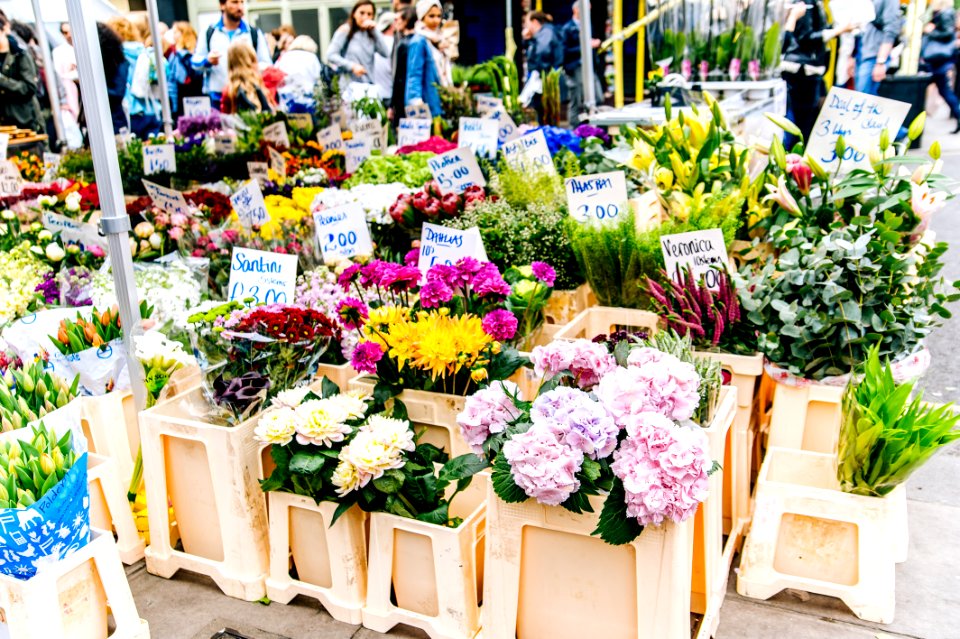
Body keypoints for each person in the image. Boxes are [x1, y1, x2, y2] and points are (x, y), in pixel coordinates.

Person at [781, 2, 851, 148]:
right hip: (802, 69)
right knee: (803, 124)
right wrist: (837, 31)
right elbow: (805, 38)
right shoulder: (806, 3)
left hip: (811, 68)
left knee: (808, 120)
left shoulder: (817, 3)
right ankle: (796, 161)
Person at [192, 0, 272, 108]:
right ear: (222, 5)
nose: (240, 7)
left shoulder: (253, 33)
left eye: (242, 2)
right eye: (234, 2)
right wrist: (207, 61)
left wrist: (252, 67)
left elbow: (267, 64)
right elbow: (195, 62)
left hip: (247, 96)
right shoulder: (209, 32)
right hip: (217, 97)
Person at [108, 16, 162, 138]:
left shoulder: (116, 56)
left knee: (133, 154)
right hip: (152, 110)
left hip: (129, 112)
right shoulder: (145, 52)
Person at [325, 0, 389, 89]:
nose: (365, 17)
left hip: (368, 85)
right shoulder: (345, 31)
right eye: (361, 13)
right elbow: (330, 55)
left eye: (369, 14)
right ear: (354, 14)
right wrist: (352, 66)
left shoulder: (371, 34)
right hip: (349, 87)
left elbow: (386, 53)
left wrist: (375, 30)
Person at [561, 2, 602, 125]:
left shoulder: (589, 26)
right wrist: (585, 46)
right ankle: (574, 130)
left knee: (597, 97)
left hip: (589, 68)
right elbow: (564, 51)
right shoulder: (567, 28)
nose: (588, 12)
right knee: (577, 101)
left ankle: (593, 128)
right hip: (575, 68)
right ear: (576, 10)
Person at [0, 12, 42, 133]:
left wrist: (2, 80)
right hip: (5, 124)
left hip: (25, 121)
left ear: (4, 30)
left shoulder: (20, 55)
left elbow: (29, 88)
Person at [923, 0, 960, 133]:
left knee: (944, 89)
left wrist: (930, 31)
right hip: (936, 59)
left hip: (939, 58)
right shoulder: (940, 12)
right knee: (943, 89)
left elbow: (948, 33)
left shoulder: (946, 12)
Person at [404, 0, 445, 117]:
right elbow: (414, 74)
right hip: (427, 104)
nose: (436, 20)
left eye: (439, 16)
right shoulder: (419, 41)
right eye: (431, 16)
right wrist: (415, 102)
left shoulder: (437, 39)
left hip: (438, 101)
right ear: (422, 17)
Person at [855, 0, 901, 95]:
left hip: (875, 55)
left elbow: (891, 29)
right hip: (862, 53)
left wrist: (881, 62)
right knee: (860, 96)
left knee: (864, 97)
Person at [523, 11, 563, 121]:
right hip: (542, 78)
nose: (526, 27)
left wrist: (538, 73)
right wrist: (527, 40)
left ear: (534, 22)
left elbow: (543, 53)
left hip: (544, 80)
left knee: (545, 111)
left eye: (527, 23)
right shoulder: (541, 34)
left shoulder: (546, 32)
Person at [221, 42, 273, 114]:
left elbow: (225, 119)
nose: (257, 65)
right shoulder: (261, 84)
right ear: (250, 63)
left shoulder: (229, 90)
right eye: (254, 61)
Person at [99, 21, 129, 134]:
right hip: (105, 120)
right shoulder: (101, 63)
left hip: (115, 120)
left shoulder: (119, 61)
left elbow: (117, 92)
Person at [168, 22, 205, 116]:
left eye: (176, 32)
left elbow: (176, 80)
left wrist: (174, 107)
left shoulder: (177, 56)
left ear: (183, 33)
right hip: (201, 97)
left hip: (183, 98)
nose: (173, 35)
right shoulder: (199, 53)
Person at [391, 7, 417, 124]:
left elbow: (399, 76)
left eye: (398, 20)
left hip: (404, 96)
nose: (395, 23)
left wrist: (393, 104)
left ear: (406, 21)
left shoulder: (403, 44)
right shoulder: (421, 40)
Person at [373, 11, 396, 102]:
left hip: (375, 95)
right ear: (392, 25)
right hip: (390, 94)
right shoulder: (394, 43)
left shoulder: (374, 43)